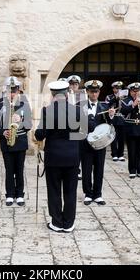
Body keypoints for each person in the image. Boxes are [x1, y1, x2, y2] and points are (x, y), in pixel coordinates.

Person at [35, 80, 84, 233]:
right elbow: (83, 134)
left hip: (54, 157)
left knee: (54, 190)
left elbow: (40, 135)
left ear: (53, 94)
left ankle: (57, 222)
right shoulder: (77, 110)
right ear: (66, 94)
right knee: (70, 191)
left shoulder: (47, 110)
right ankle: (68, 223)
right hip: (72, 157)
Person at [0, 76, 32, 206]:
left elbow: (29, 124)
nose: (12, 93)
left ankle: (20, 194)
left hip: (20, 141)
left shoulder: (24, 103)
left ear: (18, 90)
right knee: (9, 169)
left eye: (14, 90)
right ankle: (9, 194)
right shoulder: (0, 104)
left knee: (19, 170)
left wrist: (21, 121)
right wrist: (3, 132)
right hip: (6, 142)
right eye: (9, 90)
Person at [80, 80, 114, 206]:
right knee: (86, 169)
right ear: (87, 92)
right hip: (85, 143)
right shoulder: (80, 105)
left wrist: (111, 116)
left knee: (99, 168)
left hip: (100, 143)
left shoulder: (105, 106)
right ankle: (88, 194)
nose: (94, 94)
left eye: (96, 92)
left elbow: (109, 126)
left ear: (99, 92)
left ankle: (98, 194)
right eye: (92, 92)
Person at [120, 82, 140, 179]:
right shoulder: (125, 100)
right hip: (131, 129)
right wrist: (133, 105)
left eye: (137, 91)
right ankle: (132, 170)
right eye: (133, 91)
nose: (136, 93)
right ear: (130, 91)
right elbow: (123, 111)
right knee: (132, 151)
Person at [105, 81, 126, 162]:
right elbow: (107, 105)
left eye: (120, 88)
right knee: (113, 137)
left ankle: (121, 154)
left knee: (121, 138)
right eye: (116, 88)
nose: (118, 90)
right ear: (113, 89)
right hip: (113, 119)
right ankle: (114, 154)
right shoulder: (109, 97)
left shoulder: (125, 97)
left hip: (122, 119)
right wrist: (116, 98)